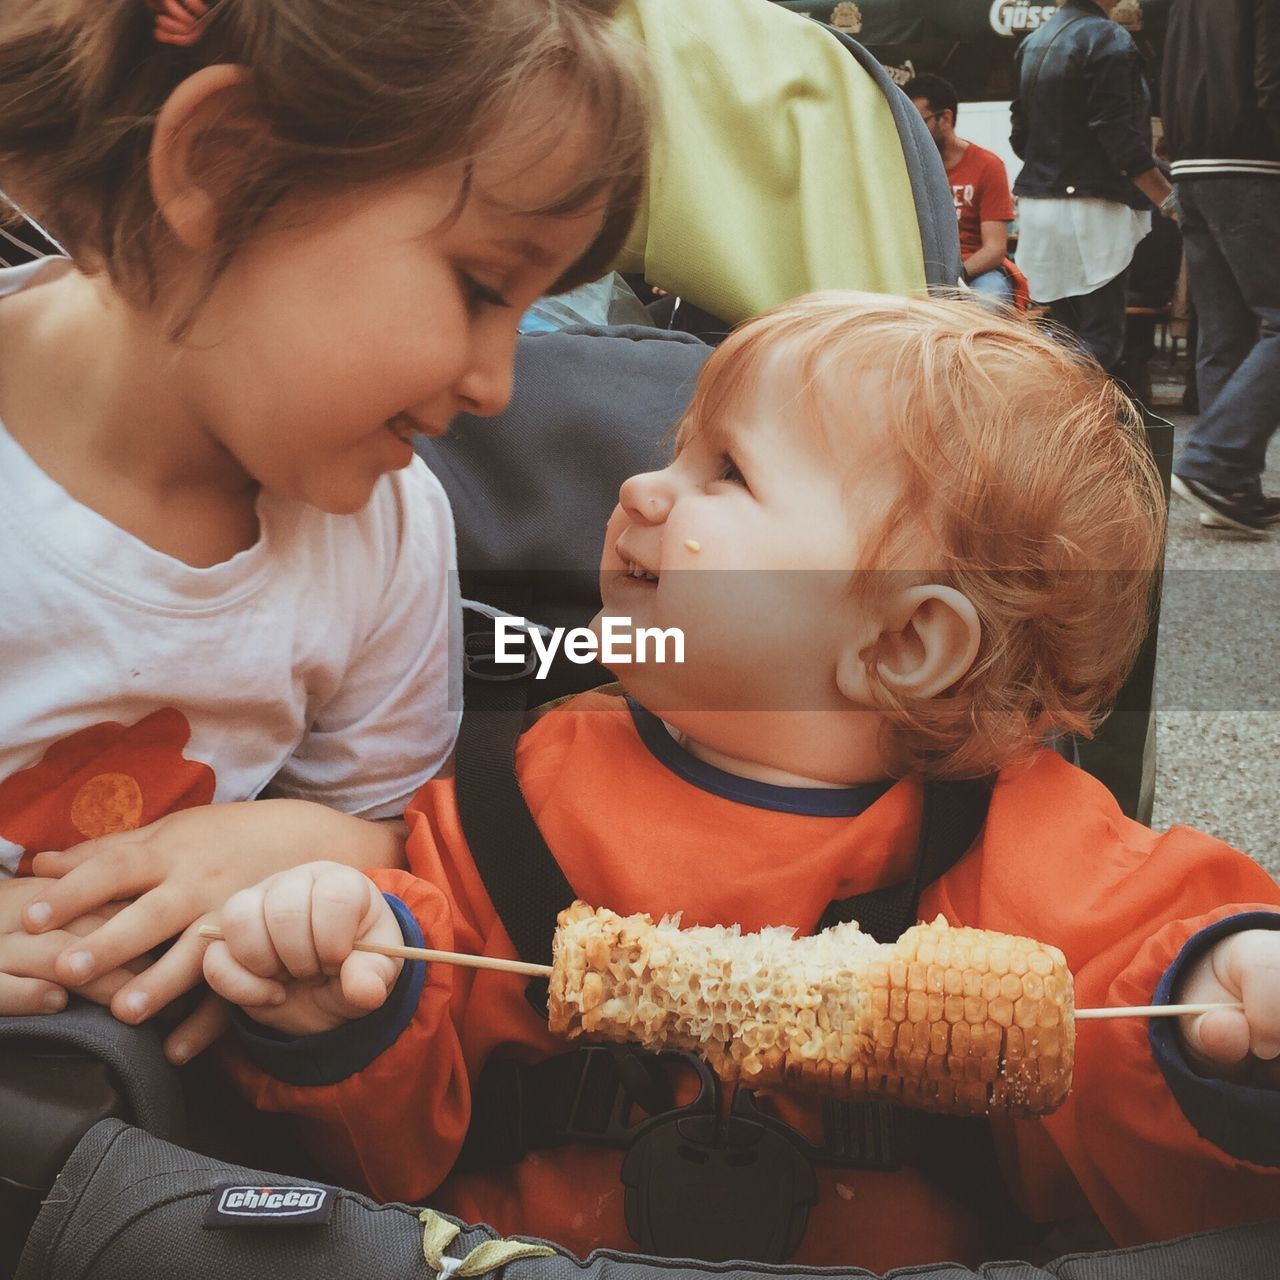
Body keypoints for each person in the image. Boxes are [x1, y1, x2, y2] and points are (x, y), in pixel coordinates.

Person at [203, 294, 1280, 1273]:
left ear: (904, 641)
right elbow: (389, 1141)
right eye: (675, 451)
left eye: (724, 472)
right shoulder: (511, 793)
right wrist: (336, 1010)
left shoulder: (1024, 841)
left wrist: (1223, 1007)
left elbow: (1148, 1014)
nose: (638, 486)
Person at [0, 0, 648, 1060]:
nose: (497, 386)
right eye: (482, 287)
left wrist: (308, 844)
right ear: (223, 163)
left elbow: (400, 836)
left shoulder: (384, 531)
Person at [1162, 0, 1280, 538]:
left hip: (1191, 169)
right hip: (1251, 165)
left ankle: (1230, 491)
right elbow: (1270, 78)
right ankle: (1214, 462)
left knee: (1225, 333)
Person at [1010, 0, 1175, 373]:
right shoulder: (1108, 37)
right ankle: (1068, 423)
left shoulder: (1034, 40)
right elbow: (1118, 132)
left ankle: (1054, 421)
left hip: (1041, 204)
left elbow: (1021, 134)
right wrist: (1168, 197)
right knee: (1102, 339)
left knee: (1066, 335)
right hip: (1094, 209)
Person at [904, 73, 1015, 304]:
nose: (910, 130)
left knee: (989, 300)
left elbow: (995, 249)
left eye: (918, 121)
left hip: (974, 273)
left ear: (945, 118)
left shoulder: (988, 165)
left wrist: (954, 277)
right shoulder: (905, 167)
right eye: (906, 122)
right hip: (916, 274)